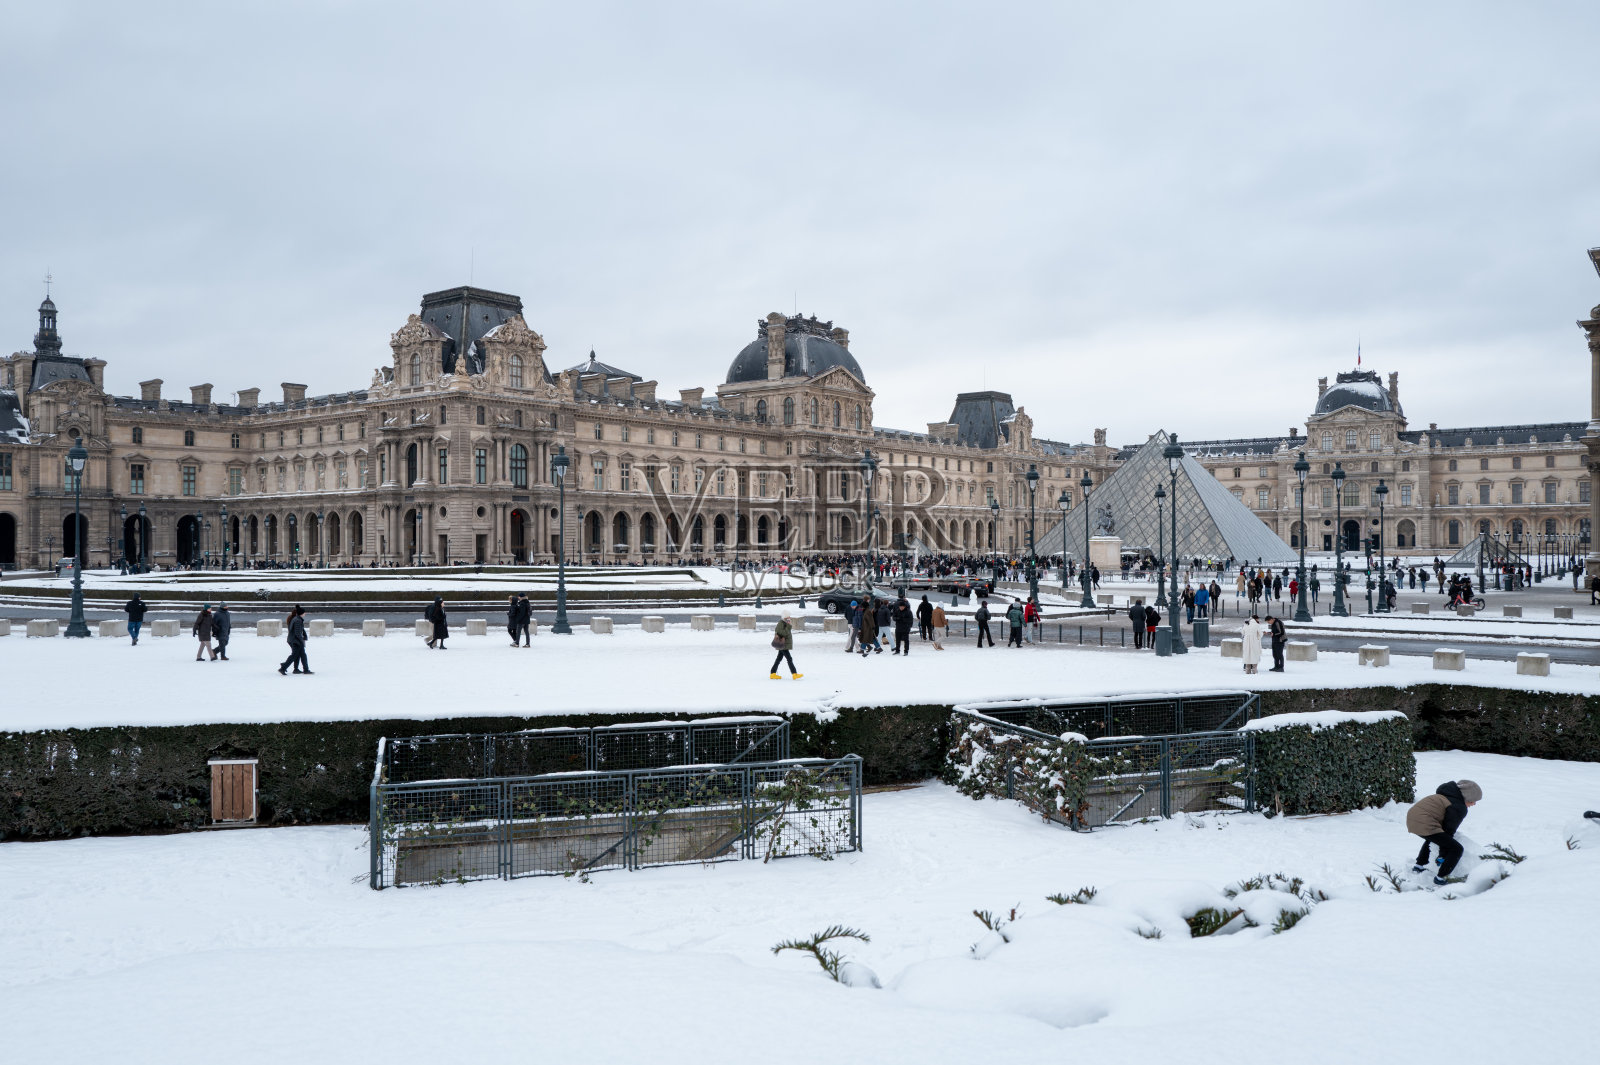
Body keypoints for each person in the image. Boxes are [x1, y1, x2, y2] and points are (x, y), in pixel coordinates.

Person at [1407, 779, 1482, 886]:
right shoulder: (1458, 807)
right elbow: (1448, 830)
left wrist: (1442, 851)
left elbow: (1443, 832)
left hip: (1413, 819)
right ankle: (1441, 878)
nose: (1474, 804)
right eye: (1473, 800)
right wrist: (1442, 855)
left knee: (1433, 837)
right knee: (1456, 849)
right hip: (1424, 822)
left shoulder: (1447, 796)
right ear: (1467, 797)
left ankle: (1419, 866)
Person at [278, 606, 310, 675]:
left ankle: (303, 669)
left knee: (301, 655)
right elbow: (297, 633)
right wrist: (301, 641)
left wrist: (304, 635)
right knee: (295, 655)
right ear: (301, 613)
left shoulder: (297, 619)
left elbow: (301, 630)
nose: (305, 614)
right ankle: (283, 668)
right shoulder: (297, 620)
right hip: (295, 641)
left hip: (294, 640)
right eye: (304, 612)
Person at [769, 614, 802, 679]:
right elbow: (781, 633)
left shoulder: (785, 623)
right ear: (784, 618)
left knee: (779, 659)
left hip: (784, 644)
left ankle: (773, 673)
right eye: (787, 618)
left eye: (789, 618)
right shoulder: (781, 623)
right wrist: (788, 627)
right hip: (783, 644)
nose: (789, 620)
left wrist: (788, 625)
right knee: (789, 659)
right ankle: (794, 674)